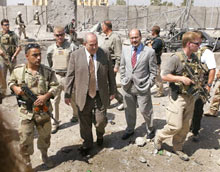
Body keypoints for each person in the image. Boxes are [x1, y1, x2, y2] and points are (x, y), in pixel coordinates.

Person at [65, 32, 116, 156]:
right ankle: (87, 143)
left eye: (96, 44)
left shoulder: (105, 54)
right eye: (91, 45)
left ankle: (100, 135)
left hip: (100, 94)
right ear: (84, 44)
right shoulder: (75, 56)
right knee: (84, 122)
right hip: (83, 95)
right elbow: (70, 75)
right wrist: (67, 94)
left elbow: (110, 74)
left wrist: (113, 91)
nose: (94, 47)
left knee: (100, 121)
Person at [8, 43, 59, 168]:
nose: (38, 58)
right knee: (25, 138)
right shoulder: (18, 71)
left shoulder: (47, 71)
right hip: (26, 112)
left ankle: (45, 155)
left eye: (39, 54)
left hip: (43, 111)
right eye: (34, 55)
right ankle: (27, 161)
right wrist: (15, 88)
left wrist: (45, 96)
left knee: (45, 137)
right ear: (27, 56)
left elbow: (55, 86)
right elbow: (10, 81)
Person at [154, 31, 202, 161]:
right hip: (178, 97)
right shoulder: (175, 58)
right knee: (175, 125)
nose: (200, 45)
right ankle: (159, 136)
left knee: (186, 126)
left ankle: (178, 147)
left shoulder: (195, 58)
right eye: (197, 43)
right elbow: (164, 76)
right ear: (188, 44)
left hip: (191, 97)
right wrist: (180, 78)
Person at [120, 29, 157, 140]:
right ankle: (130, 129)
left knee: (145, 110)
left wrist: (149, 83)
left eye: (136, 37)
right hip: (127, 86)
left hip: (142, 86)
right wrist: (123, 79)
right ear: (129, 38)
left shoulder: (149, 52)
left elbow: (154, 71)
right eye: (132, 38)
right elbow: (122, 66)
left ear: (141, 37)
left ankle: (150, 128)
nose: (134, 40)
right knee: (129, 110)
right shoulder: (125, 50)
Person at [47, 26, 78, 134]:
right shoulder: (51, 49)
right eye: (57, 35)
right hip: (56, 77)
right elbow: (49, 63)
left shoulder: (72, 47)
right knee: (54, 100)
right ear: (54, 35)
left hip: (68, 77)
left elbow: (77, 61)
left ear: (65, 34)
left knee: (73, 98)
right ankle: (55, 123)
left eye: (61, 34)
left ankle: (76, 115)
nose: (60, 37)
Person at [190, 30, 216, 141]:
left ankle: (195, 131)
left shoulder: (206, 53)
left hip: (200, 87)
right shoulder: (187, 50)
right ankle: (188, 126)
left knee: (198, 109)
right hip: (187, 86)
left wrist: (209, 85)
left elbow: (212, 69)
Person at [101, 20, 124, 110]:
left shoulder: (115, 38)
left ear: (107, 27)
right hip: (106, 64)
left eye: (103, 26)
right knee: (107, 84)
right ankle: (108, 102)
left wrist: (116, 67)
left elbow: (119, 54)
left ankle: (122, 100)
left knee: (110, 85)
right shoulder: (107, 37)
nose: (102, 28)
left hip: (112, 65)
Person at [0, 19, 21, 100]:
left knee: (14, 75)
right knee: (2, 76)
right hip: (2, 59)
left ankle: (15, 90)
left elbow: (19, 47)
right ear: (2, 26)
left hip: (11, 58)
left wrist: (14, 56)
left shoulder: (13, 35)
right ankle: (2, 92)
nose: (7, 26)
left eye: (8, 24)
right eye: (5, 24)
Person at [146, 25, 164, 97]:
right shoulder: (154, 39)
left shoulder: (158, 40)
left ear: (154, 32)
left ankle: (160, 92)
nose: (151, 32)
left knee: (157, 77)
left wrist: (149, 44)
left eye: (151, 31)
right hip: (152, 60)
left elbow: (152, 50)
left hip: (156, 61)